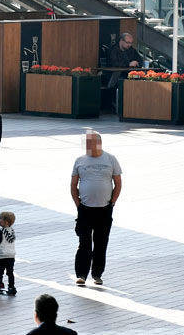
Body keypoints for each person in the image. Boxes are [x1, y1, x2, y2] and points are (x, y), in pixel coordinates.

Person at [71, 130, 122, 286]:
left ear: (99, 143)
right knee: (84, 243)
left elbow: (118, 183)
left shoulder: (110, 159)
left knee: (101, 242)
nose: (87, 145)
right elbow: (73, 184)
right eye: (86, 142)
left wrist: (112, 202)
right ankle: (81, 274)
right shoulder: (80, 160)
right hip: (85, 209)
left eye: (90, 142)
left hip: (104, 209)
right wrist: (78, 204)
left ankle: (97, 274)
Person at [104, 33, 141, 112]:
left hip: (128, 75)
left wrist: (136, 62)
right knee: (121, 81)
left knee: (139, 80)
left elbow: (140, 60)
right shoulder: (113, 50)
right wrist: (129, 64)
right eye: (127, 42)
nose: (129, 45)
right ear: (121, 41)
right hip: (114, 76)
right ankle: (118, 105)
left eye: (131, 43)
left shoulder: (131, 50)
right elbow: (114, 63)